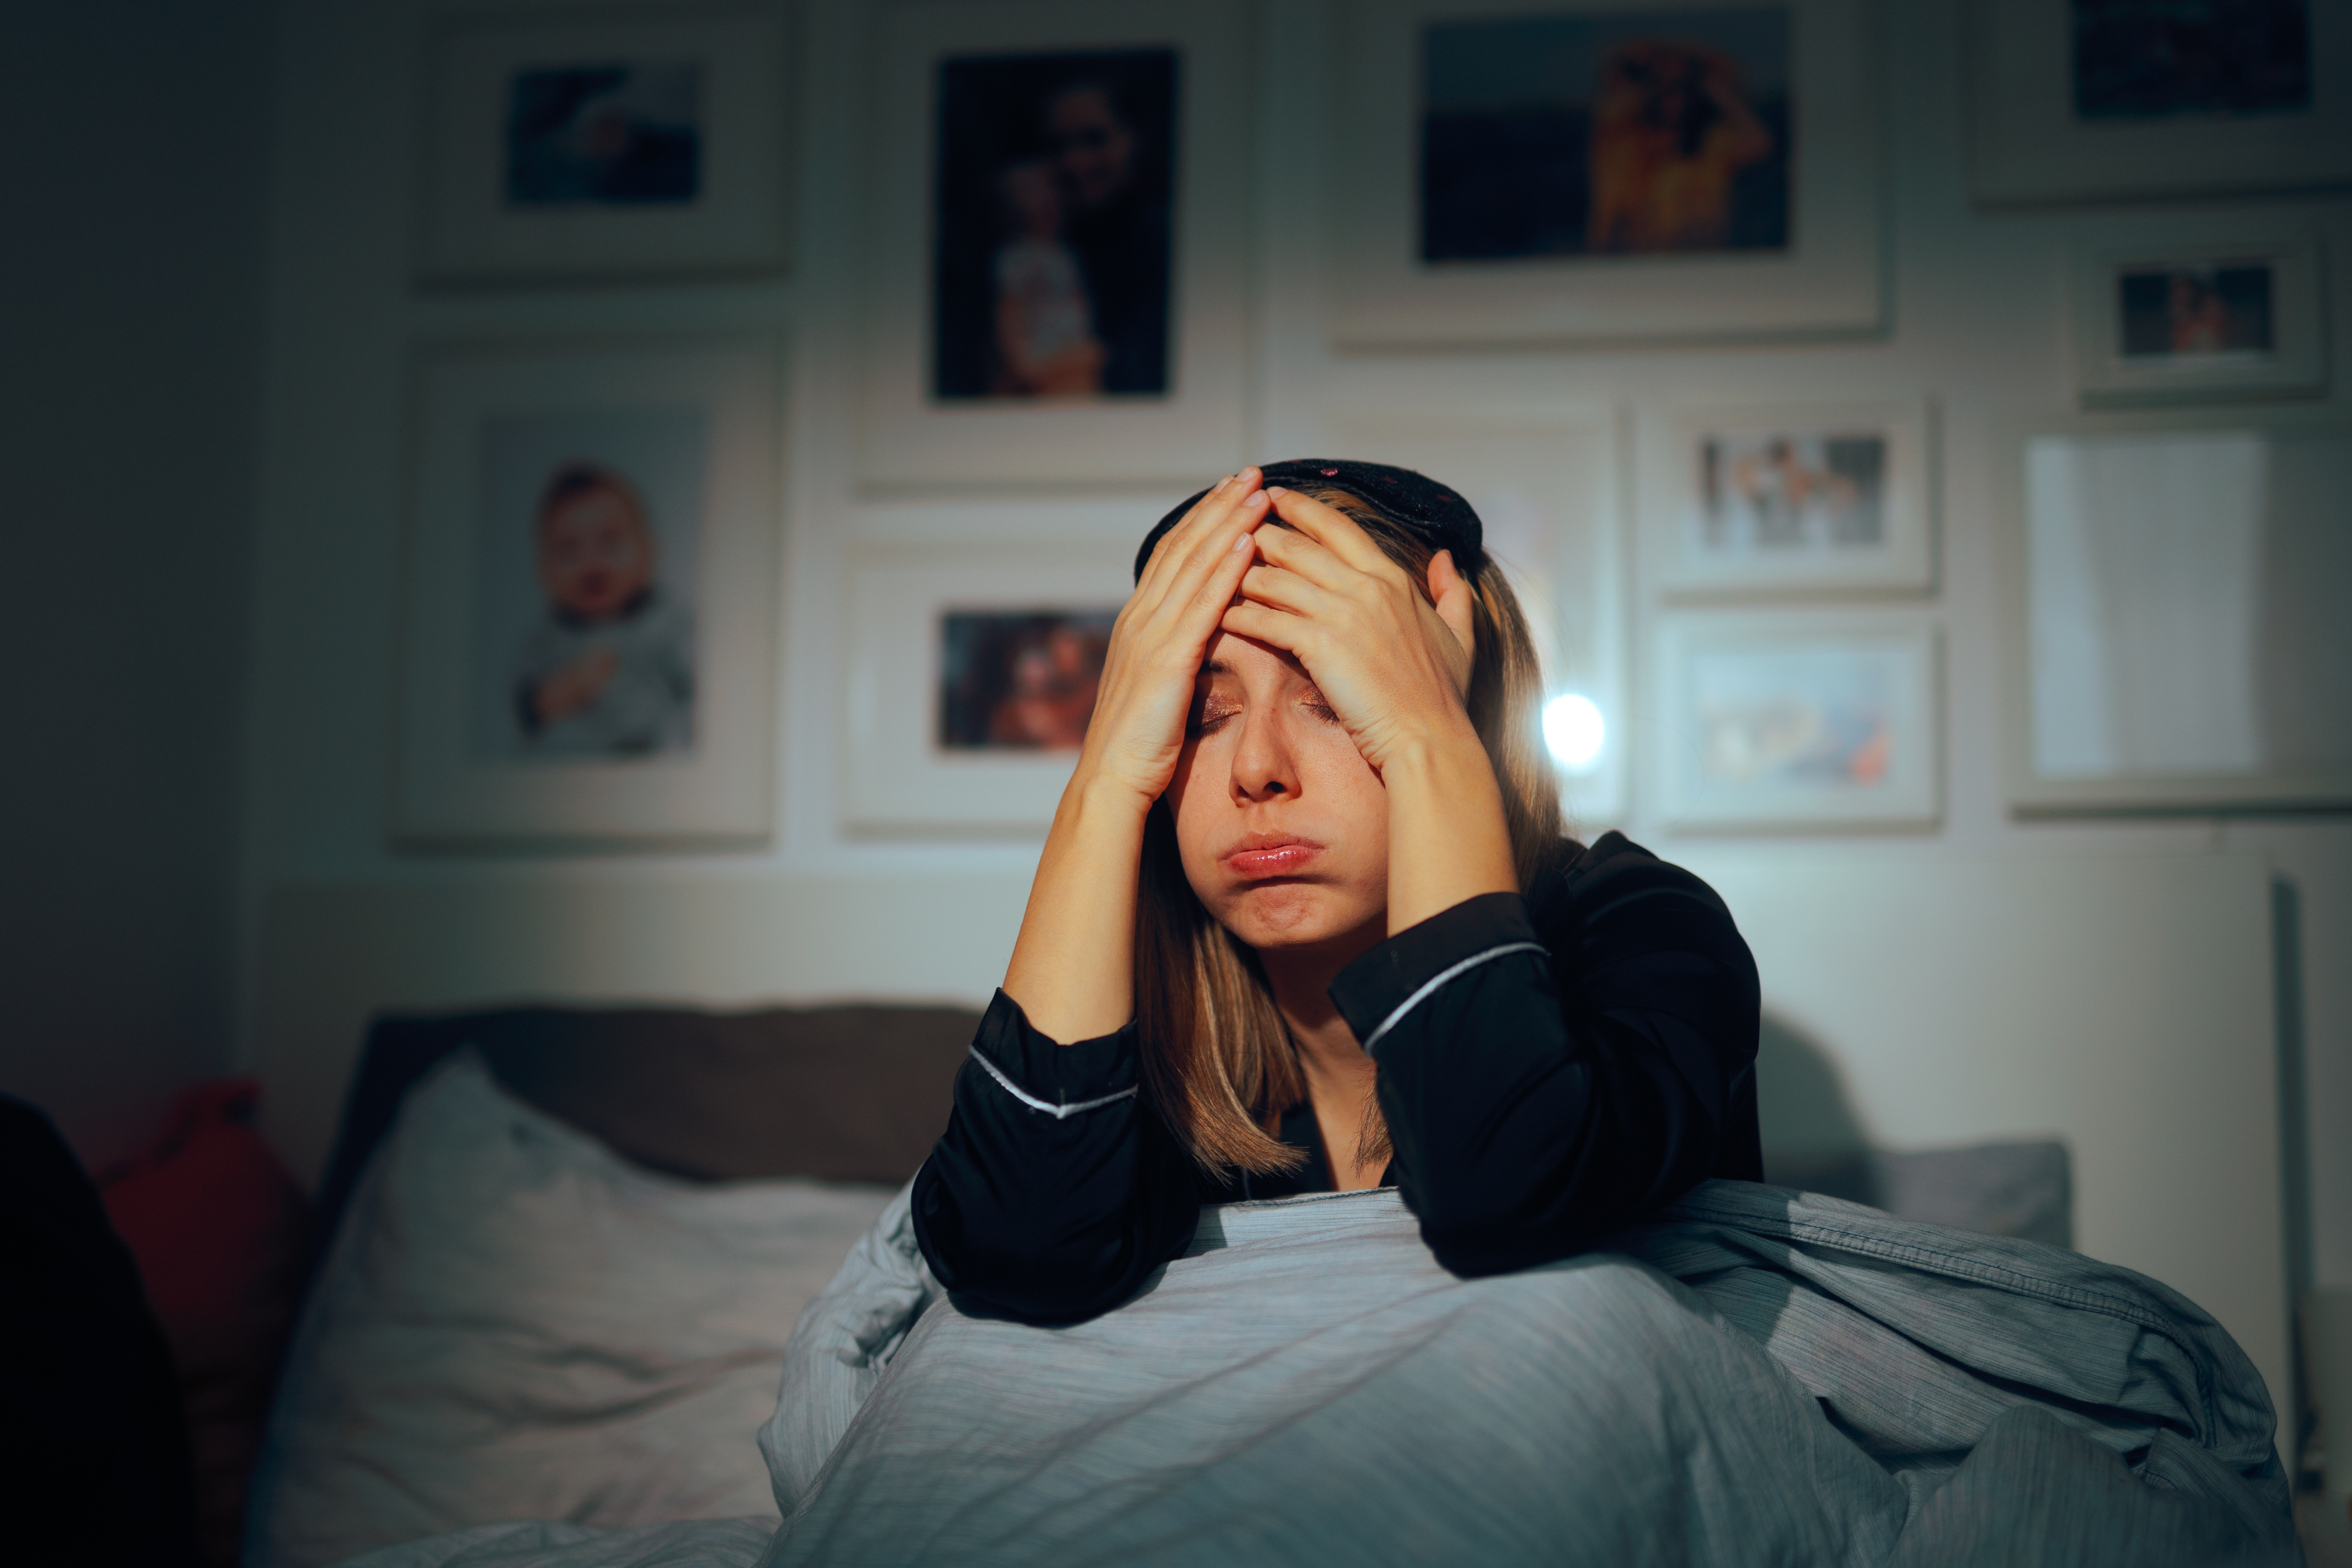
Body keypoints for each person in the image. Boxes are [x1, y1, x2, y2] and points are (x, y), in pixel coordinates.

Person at [913, 460, 1762, 1324]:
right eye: (1201, 717)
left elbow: (1505, 1205)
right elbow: (1015, 1258)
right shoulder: (1130, 1010)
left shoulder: (1642, 927)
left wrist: (1427, 741)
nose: (1255, 768)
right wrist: (1105, 781)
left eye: (1333, 699)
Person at [511, 461, 694, 756]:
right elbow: (525, 712)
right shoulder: (546, 642)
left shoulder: (669, 626)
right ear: (544, 570)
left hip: (656, 762)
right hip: (573, 771)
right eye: (569, 551)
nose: (592, 564)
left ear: (647, 553)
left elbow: (699, 696)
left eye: (610, 543)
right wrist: (567, 686)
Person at [1587, 40, 1772, 254]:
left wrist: (1714, 85)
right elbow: (1606, 223)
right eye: (1666, 88)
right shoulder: (1625, 146)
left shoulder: (1711, 145)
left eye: (1685, 88)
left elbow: (1759, 143)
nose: (1675, 99)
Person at [990, 159, 1107, 398]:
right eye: (1030, 191)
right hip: (1041, 361)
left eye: (1051, 187)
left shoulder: (1066, 255)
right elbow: (1010, 311)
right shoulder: (1015, 258)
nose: (1047, 198)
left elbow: (1078, 302)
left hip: (1073, 354)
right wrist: (1023, 362)